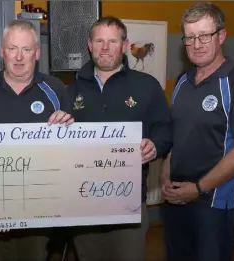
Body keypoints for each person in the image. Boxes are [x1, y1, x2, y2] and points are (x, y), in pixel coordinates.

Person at [0, 19, 73, 261]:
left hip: (39, 204)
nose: (19, 57)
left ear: (37, 53)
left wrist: (67, 125)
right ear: (2, 52)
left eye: (26, 49)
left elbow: (69, 151)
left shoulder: (55, 88)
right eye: (12, 48)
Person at [67, 16, 172, 261]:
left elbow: (165, 128)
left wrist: (155, 145)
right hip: (83, 202)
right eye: (99, 41)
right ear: (89, 45)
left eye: (112, 41)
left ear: (124, 46)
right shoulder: (70, 90)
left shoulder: (147, 86)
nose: (105, 47)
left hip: (130, 203)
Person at [161, 3, 234, 261]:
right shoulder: (182, 81)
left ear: (221, 36)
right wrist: (166, 178)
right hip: (177, 199)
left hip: (212, 205)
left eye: (204, 35)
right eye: (190, 37)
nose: (197, 44)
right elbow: (177, 138)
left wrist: (198, 188)